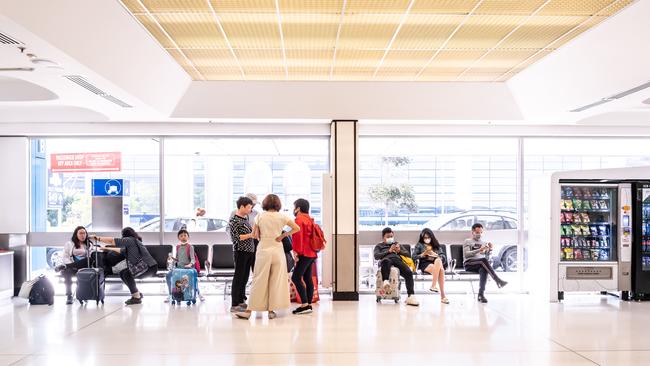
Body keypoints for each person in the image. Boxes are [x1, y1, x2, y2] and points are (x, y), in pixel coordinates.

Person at [235, 194, 300, 320]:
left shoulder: (260, 216)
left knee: (258, 279)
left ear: (265, 204)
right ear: (278, 204)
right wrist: (283, 235)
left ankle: (249, 311)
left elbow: (254, 235)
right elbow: (296, 228)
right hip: (277, 249)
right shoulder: (282, 216)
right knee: (275, 280)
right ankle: (271, 311)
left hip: (263, 249)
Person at [93, 227, 157, 305]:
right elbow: (120, 250)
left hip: (149, 268)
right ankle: (137, 293)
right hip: (149, 267)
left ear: (124, 235)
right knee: (122, 272)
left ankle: (136, 297)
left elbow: (112, 241)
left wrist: (97, 238)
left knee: (127, 274)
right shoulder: (133, 243)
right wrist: (106, 248)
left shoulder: (130, 240)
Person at [373, 227, 419, 306]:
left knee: (408, 272)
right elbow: (376, 256)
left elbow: (408, 254)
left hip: (397, 260)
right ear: (383, 237)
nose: (390, 238)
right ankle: (386, 282)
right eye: (388, 237)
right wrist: (389, 251)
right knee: (386, 261)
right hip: (386, 260)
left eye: (391, 236)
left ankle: (411, 296)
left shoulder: (397, 245)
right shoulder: (379, 246)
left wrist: (399, 251)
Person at [463, 223, 508, 303]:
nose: (479, 234)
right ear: (472, 232)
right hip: (469, 264)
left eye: (480, 232)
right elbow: (466, 255)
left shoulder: (484, 243)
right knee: (483, 261)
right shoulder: (467, 241)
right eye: (477, 232)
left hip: (480, 264)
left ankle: (481, 295)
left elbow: (486, 258)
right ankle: (498, 280)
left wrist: (489, 250)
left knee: (484, 269)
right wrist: (479, 250)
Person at [228, 196, 256, 312]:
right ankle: (234, 304)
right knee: (238, 277)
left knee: (245, 277)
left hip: (249, 251)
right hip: (241, 251)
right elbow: (235, 238)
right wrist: (251, 235)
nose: (251, 209)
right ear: (242, 207)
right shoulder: (234, 220)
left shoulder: (245, 218)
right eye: (249, 207)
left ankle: (241, 300)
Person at [55, 226, 95, 305]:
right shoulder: (69, 244)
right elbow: (65, 257)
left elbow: (91, 257)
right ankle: (69, 296)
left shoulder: (89, 244)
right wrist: (70, 265)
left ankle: (65, 267)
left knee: (89, 259)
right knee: (66, 273)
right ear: (76, 234)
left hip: (84, 268)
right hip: (72, 267)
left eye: (84, 233)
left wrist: (68, 265)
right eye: (80, 233)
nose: (83, 235)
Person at [290, 198, 318, 315]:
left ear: (298, 208)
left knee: (296, 277)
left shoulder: (299, 220)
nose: (293, 209)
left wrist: (296, 253)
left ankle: (305, 304)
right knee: (307, 278)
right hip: (312, 253)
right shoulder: (309, 219)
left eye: (294, 206)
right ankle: (309, 304)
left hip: (304, 253)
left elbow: (297, 238)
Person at [165, 229, 205, 303]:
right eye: (181, 236)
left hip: (188, 269)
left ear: (188, 237)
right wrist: (172, 258)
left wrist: (190, 264)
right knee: (168, 276)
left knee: (192, 280)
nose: (183, 237)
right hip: (179, 268)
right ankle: (171, 294)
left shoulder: (190, 247)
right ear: (178, 238)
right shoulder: (178, 247)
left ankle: (198, 294)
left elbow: (193, 260)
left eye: (185, 235)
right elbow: (178, 259)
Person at [413, 228, 449, 304]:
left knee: (439, 260)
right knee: (441, 270)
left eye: (428, 237)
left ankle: (433, 285)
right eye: (425, 238)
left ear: (431, 237)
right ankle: (443, 296)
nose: (427, 239)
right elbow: (413, 257)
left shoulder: (435, 245)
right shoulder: (419, 245)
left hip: (436, 262)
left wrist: (436, 255)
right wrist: (423, 254)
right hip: (425, 263)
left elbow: (443, 256)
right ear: (422, 238)